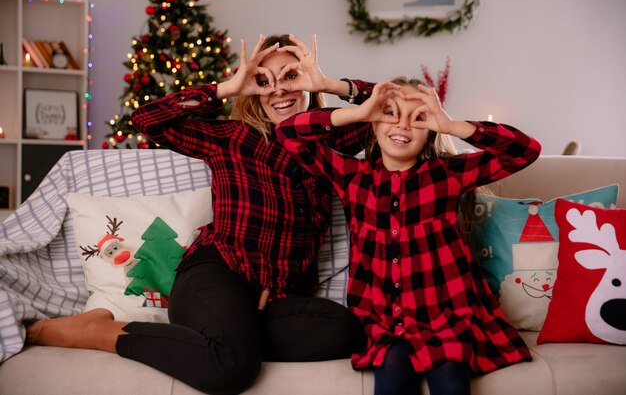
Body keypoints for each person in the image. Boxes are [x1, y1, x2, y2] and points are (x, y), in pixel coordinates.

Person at [26, 34, 374, 395]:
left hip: (278, 300)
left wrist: (330, 84)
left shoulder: (330, 137)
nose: (278, 91)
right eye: (263, 79)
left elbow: (392, 110)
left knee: (345, 328)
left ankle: (229, 336)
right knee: (231, 369)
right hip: (216, 274)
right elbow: (148, 119)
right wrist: (227, 87)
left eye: (290, 76)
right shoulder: (234, 136)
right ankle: (98, 331)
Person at [276, 77, 542, 395]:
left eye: (417, 118)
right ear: (373, 124)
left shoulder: (448, 174)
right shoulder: (351, 177)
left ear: (430, 131)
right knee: (391, 380)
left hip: (447, 314)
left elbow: (526, 151)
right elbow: (288, 133)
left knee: (451, 381)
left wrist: (451, 125)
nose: (402, 125)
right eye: (390, 113)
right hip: (383, 319)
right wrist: (359, 113)